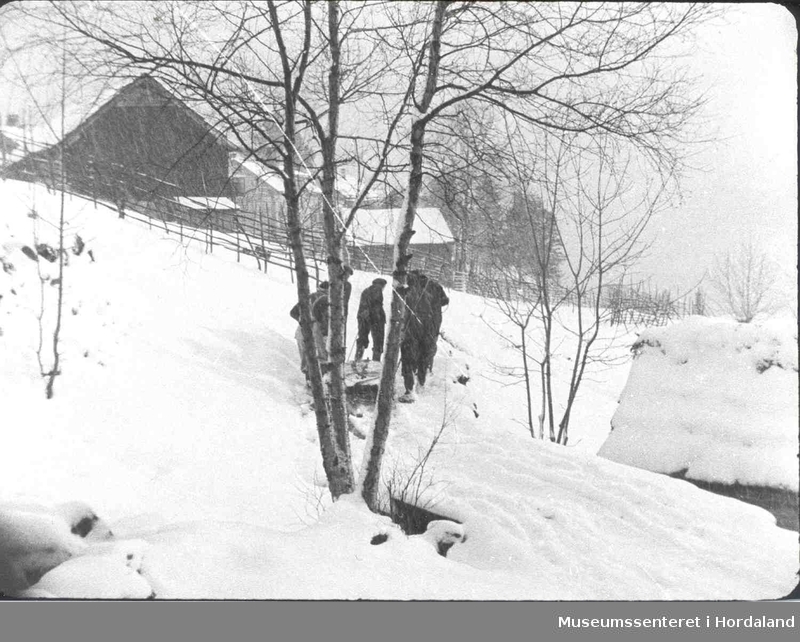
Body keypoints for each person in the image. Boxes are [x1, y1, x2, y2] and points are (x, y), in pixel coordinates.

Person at [290, 281, 329, 383]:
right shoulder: (326, 300)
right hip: (316, 332)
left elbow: (293, 312)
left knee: (307, 356)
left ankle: (309, 380)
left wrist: (302, 322)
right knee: (321, 356)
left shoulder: (309, 297)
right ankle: (318, 382)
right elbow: (324, 321)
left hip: (302, 331)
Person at [355, 277, 387, 362]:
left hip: (363, 317)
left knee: (362, 338)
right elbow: (376, 306)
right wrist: (377, 318)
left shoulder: (366, 290)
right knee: (378, 341)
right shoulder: (378, 289)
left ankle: (357, 359)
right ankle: (376, 361)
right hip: (375, 319)